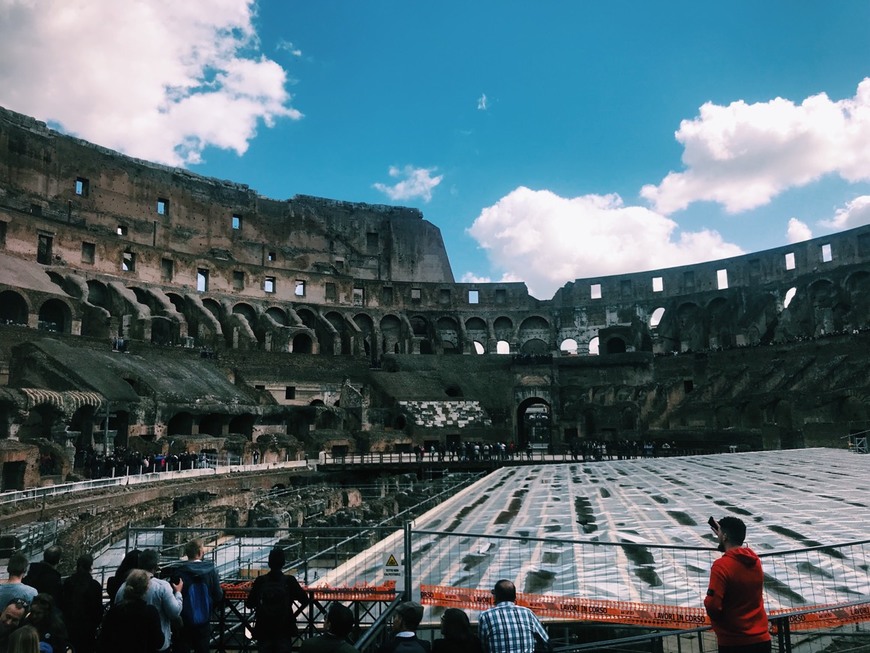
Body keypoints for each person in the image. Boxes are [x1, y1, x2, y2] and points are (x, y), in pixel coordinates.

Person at [705, 517, 771, 653]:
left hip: (734, 642)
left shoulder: (721, 566)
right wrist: (724, 536)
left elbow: (713, 605)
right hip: (762, 639)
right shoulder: (754, 561)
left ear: (724, 536)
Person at [244, 547, 309, 653]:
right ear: (283, 563)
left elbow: (250, 604)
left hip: (264, 628)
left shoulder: (261, 581)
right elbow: (305, 600)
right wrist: (292, 616)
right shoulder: (289, 581)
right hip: (284, 628)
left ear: (269, 562)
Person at [116, 549, 182, 653]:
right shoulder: (162, 587)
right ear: (155, 567)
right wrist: (178, 593)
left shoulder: (124, 587)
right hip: (156, 644)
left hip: (129, 643)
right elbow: (174, 612)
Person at [168, 539, 223, 653]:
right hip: (204, 621)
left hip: (184, 622)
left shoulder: (178, 573)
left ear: (187, 554)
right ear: (200, 553)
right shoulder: (211, 571)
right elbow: (218, 595)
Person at [97, 569, 163, 653]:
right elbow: (159, 642)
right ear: (146, 589)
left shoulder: (114, 612)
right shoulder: (150, 612)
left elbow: (104, 641)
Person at [477, 580, 548, 653]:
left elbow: (482, 646)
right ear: (515, 597)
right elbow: (545, 640)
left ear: (495, 597)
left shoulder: (486, 616)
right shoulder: (527, 613)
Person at [59, 554, 103, 653]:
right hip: (87, 630)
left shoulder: (68, 582)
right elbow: (98, 610)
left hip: (69, 627)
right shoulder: (94, 586)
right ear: (91, 567)